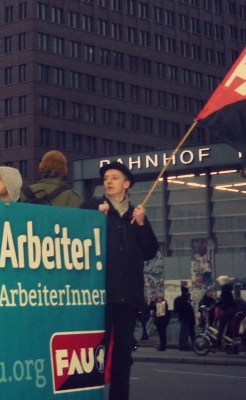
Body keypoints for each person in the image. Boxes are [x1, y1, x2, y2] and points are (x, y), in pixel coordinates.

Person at [83, 161, 158, 400]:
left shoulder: (136, 214)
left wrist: (143, 226)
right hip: (100, 294)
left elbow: (149, 251)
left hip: (127, 295)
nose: (108, 181)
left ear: (126, 184)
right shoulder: (93, 208)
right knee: (94, 352)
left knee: (122, 356)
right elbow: (79, 244)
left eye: (114, 177)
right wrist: (96, 222)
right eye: (106, 177)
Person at [174, 285, 196, 351]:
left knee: (184, 332)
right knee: (185, 332)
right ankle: (185, 346)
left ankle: (182, 346)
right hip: (185, 318)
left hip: (185, 318)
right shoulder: (183, 299)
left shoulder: (182, 299)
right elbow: (185, 309)